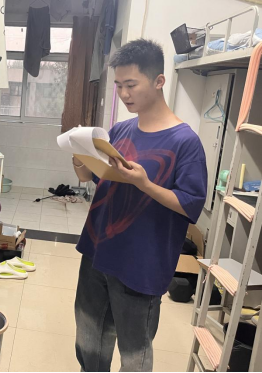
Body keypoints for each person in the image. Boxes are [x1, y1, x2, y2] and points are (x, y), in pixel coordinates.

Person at [73, 39, 208, 372]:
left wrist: (145, 184)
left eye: (131, 85)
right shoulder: (120, 130)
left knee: (134, 354)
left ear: (159, 81)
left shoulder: (185, 141)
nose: (123, 93)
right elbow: (95, 179)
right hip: (98, 252)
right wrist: (79, 159)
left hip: (140, 265)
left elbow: (191, 204)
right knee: (89, 342)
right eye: (119, 85)